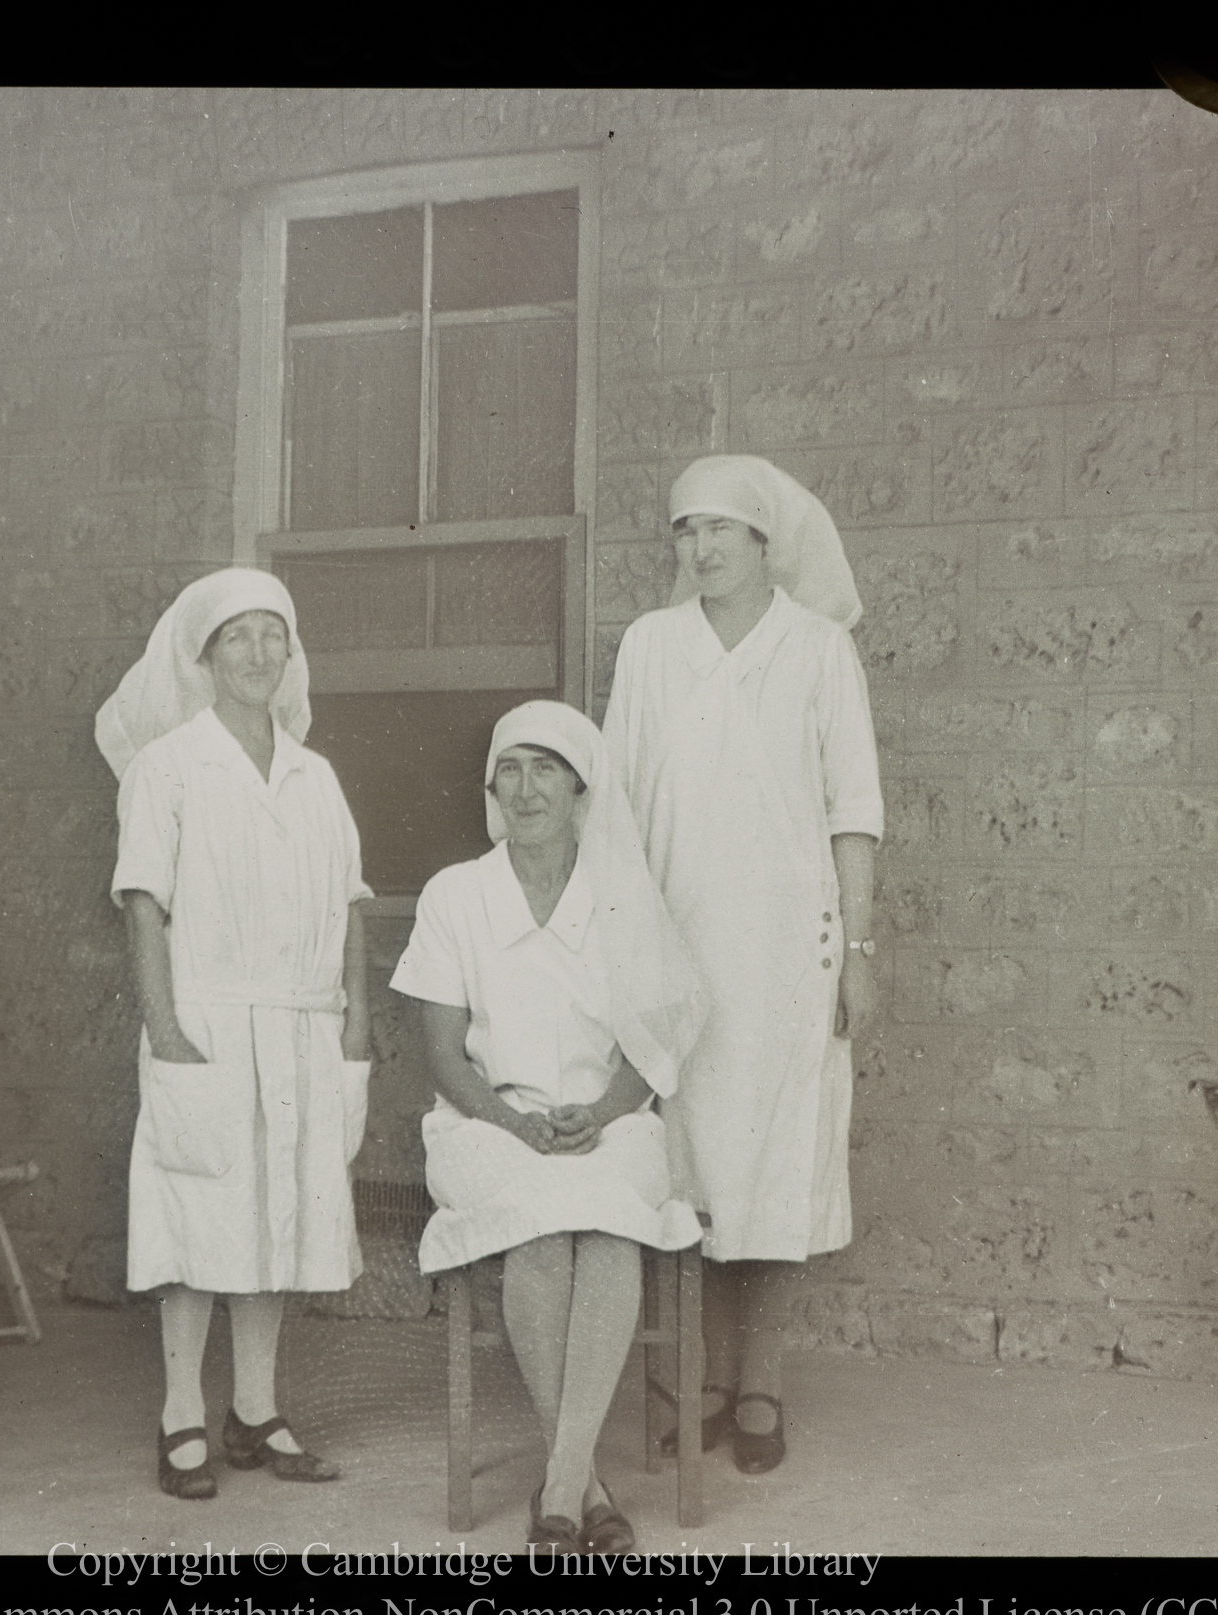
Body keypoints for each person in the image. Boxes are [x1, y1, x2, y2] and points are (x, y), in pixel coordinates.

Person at [601, 455, 883, 1476]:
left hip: (784, 959)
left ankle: (758, 1383)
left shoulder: (816, 651)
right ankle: (696, 1383)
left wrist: (855, 949)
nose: (702, 547)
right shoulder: (647, 647)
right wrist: (624, 951)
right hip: (675, 950)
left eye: (722, 528)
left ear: (767, 542)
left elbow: (853, 811)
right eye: (685, 530)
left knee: (772, 1174)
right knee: (686, 1173)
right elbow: (617, 808)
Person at [390, 700, 707, 1554]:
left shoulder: (619, 893)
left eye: (547, 770)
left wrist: (602, 1110)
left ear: (578, 789)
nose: (527, 789)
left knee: (605, 1225)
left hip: (608, 1122)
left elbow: (656, 1037)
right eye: (511, 770)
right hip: (485, 1123)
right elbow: (444, 1055)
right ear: (492, 788)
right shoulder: (456, 895)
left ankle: (561, 1486)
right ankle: (583, 1486)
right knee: (537, 1228)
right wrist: (513, 1121)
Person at [97, 567, 372, 1501]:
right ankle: (182, 1412)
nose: (256, 654)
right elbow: (143, 907)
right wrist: (165, 1029)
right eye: (236, 638)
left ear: (291, 653)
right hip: (206, 1022)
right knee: (199, 1218)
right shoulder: (168, 766)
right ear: (204, 656)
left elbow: (350, 908)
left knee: (278, 1215)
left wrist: (357, 1029)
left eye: (271, 636)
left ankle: (255, 1407)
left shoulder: (316, 772)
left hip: (303, 1023)